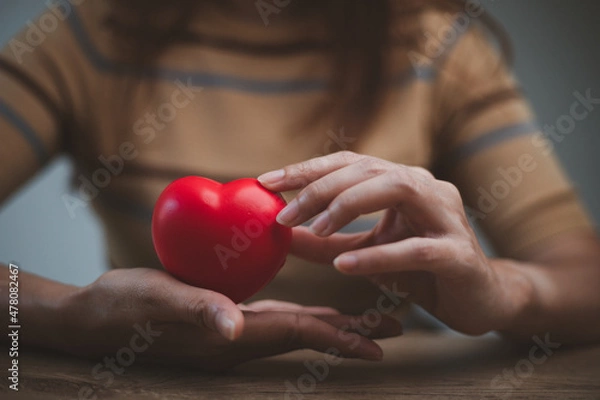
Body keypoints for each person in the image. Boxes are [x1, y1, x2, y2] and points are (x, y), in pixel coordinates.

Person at [1, 0, 599, 371]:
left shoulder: (435, 47)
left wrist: (505, 292)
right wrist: (70, 318)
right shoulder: (91, 35)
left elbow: (587, 279)